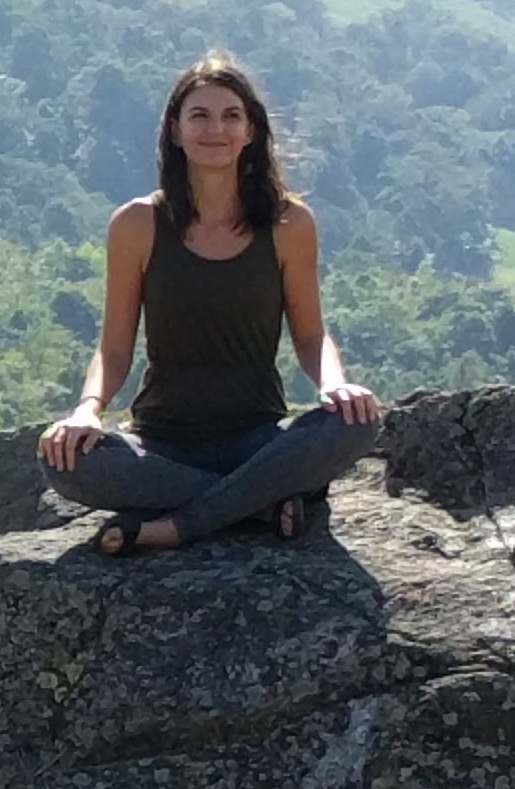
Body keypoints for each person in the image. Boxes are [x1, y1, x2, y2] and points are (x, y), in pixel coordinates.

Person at [40, 52, 383, 552]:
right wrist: (87, 410)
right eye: (199, 115)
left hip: (257, 440)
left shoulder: (290, 224)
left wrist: (336, 384)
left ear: (251, 132)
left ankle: (179, 525)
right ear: (175, 130)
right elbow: (114, 350)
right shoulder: (137, 224)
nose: (215, 129)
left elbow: (311, 336)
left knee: (359, 422)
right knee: (61, 458)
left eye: (231, 116)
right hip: (161, 443)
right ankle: (262, 504)